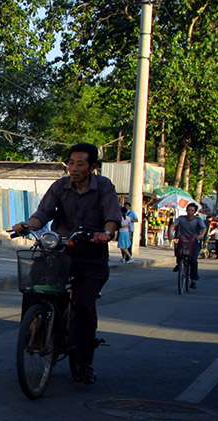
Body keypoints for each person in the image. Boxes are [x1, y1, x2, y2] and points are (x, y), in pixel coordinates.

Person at [11, 142, 122, 385]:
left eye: (80, 163)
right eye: (70, 163)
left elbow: (113, 216)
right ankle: (35, 336)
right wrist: (28, 226)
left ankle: (83, 364)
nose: (73, 168)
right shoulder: (60, 185)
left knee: (83, 304)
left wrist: (106, 233)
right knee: (34, 289)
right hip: (60, 253)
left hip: (91, 257)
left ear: (92, 166)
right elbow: (43, 213)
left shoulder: (104, 186)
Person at [171, 203, 208, 287]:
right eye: (189, 210)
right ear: (186, 211)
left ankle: (193, 279)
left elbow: (204, 228)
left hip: (194, 240)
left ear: (195, 212)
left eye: (192, 210)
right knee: (178, 250)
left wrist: (201, 235)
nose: (190, 212)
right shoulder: (181, 218)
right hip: (183, 239)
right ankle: (178, 264)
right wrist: (171, 234)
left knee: (193, 260)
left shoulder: (198, 220)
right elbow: (173, 225)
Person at [117, 196, 138, 263]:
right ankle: (124, 257)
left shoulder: (130, 214)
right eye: (125, 205)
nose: (126, 206)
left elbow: (136, 220)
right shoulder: (126, 217)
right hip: (126, 231)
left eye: (127, 206)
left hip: (125, 232)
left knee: (125, 246)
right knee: (124, 245)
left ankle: (129, 257)